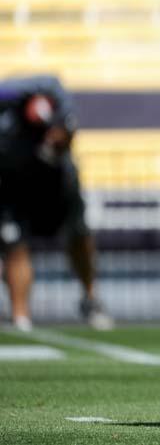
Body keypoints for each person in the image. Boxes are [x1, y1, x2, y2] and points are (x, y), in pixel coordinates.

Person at [0, 75, 114, 331]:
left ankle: (91, 298)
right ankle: (21, 318)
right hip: (13, 187)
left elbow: (56, 93)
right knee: (14, 246)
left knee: (79, 237)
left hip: (56, 186)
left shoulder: (46, 95)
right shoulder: (8, 118)